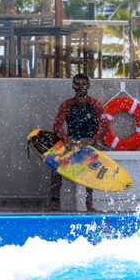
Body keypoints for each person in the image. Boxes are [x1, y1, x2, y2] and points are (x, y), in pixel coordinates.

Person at [45, 73, 107, 213]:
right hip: (71, 142)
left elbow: (104, 128)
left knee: (90, 169)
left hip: (89, 143)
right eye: (77, 84)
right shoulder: (67, 104)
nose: (80, 87)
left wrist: (91, 141)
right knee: (54, 166)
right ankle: (55, 202)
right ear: (73, 86)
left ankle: (89, 204)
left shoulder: (96, 105)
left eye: (83, 84)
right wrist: (66, 139)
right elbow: (57, 126)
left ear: (88, 86)